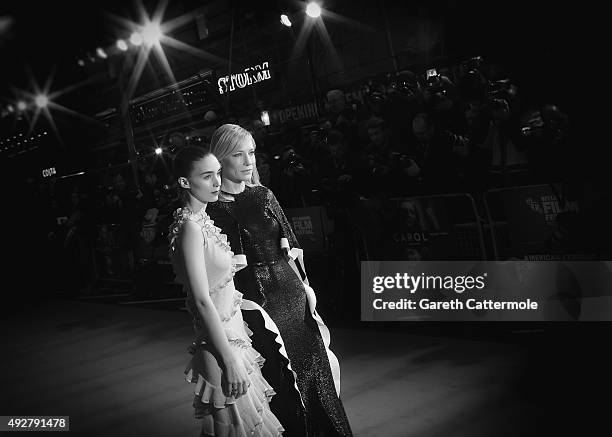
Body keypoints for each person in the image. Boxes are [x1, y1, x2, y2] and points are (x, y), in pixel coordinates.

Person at [208, 124, 353, 436]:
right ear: (220, 160)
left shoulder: (264, 195)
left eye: (252, 153)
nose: (249, 161)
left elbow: (293, 248)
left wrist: (307, 293)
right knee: (282, 383)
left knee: (316, 374)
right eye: (238, 154)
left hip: (293, 299)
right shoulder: (213, 211)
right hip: (256, 309)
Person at [168, 145, 284, 436]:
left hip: (234, 339)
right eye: (207, 176)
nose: (217, 182)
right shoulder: (190, 228)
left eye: (218, 173)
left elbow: (213, 280)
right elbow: (201, 300)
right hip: (221, 348)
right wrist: (229, 361)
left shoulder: (201, 221)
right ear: (185, 182)